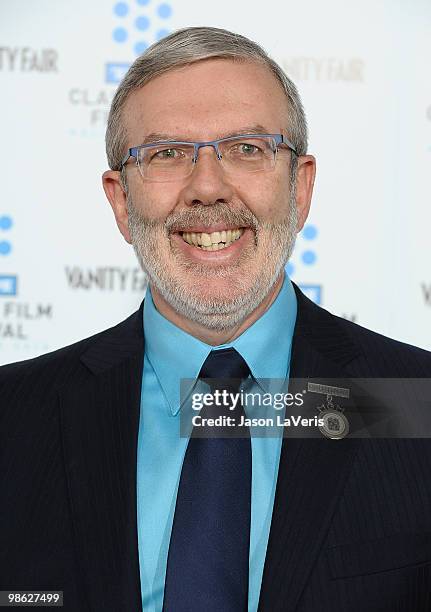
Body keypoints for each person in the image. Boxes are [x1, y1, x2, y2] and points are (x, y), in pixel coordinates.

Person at [1, 26, 431, 612]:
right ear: (122, 203)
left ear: (299, 189)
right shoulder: (13, 418)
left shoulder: (414, 401)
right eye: (167, 154)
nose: (207, 187)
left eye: (247, 148)